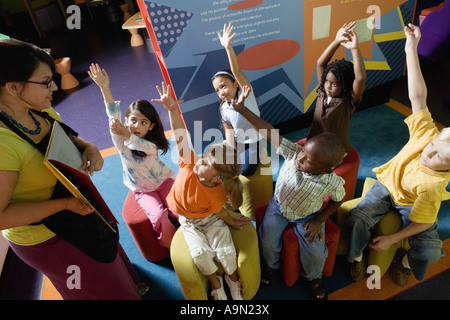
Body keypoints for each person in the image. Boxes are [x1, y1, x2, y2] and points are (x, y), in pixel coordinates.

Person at [0, 39, 141, 299]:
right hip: (47, 237)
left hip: (77, 212)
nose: (54, 87)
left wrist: (89, 147)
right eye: (45, 82)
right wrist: (64, 205)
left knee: (109, 262)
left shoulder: (39, 110)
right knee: (98, 286)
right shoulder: (3, 144)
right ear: (13, 87)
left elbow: (66, 137)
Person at [346, 24, 450, 286]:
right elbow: (418, 95)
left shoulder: (433, 186)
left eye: (440, 157)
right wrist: (410, 48)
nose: (429, 152)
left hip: (412, 205)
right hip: (387, 186)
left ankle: (404, 261)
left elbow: (421, 221)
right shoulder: (427, 136)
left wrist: (392, 240)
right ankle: (356, 256)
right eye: (435, 144)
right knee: (357, 219)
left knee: (430, 251)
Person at [230, 85, 346, 300]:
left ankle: (314, 277)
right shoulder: (293, 153)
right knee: (267, 240)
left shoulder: (331, 180)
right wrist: (243, 111)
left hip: (308, 216)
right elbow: (268, 131)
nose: (300, 159)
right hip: (279, 206)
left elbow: (338, 199)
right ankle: (272, 267)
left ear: (325, 169)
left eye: (308, 160)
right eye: (303, 152)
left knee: (315, 250)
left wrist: (320, 219)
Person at [152, 81, 252, 300]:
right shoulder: (190, 162)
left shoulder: (216, 193)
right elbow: (179, 134)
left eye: (206, 163)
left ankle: (232, 279)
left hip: (209, 219)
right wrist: (171, 110)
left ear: (216, 178)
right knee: (201, 255)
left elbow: (219, 212)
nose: (201, 162)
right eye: (205, 157)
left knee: (225, 251)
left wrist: (232, 220)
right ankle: (216, 284)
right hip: (188, 221)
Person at [88, 63, 178, 249]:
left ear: (151, 126)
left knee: (180, 208)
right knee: (160, 216)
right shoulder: (122, 142)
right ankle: (172, 245)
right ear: (126, 121)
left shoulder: (150, 144)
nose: (137, 126)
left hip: (163, 181)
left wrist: (128, 134)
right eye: (133, 121)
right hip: (143, 191)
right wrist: (105, 88)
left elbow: (146, 148)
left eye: (143, 122)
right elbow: (113, 116)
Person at [211, 23, 264, 176]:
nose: (221, 92)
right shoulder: (224, 107)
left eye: (224, 86)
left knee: (245, 171)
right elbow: (228, 130)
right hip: (239, 142)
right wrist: (232, 153)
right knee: (222, 165)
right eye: (217, 90)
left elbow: (237, 71)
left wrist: (228, 47)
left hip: (255, 141)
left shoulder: (246, 93)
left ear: (235, 83)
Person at [306, 21, 366, 153]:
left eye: (334, 84)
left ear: (345, 85)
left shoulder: (348, 100)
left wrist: (355, 49)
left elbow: (360, 78)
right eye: (327, 81)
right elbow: (320, 63)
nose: (328, 86)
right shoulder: (322, 91)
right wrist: (336, 41)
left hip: (333, 151)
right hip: (314, 143)